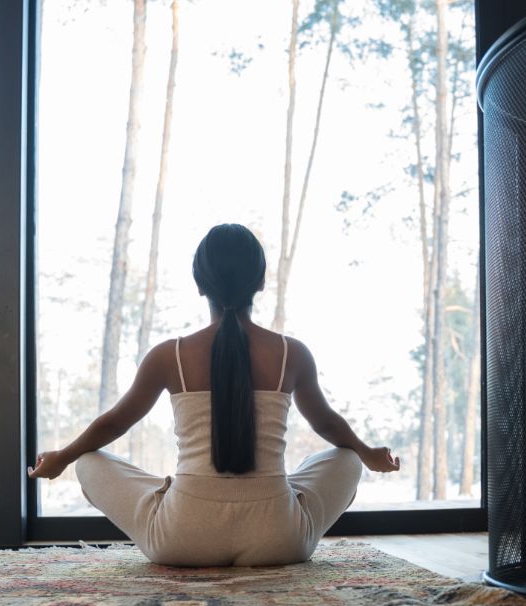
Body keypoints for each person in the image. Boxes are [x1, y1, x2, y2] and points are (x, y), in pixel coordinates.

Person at [28, 223, 400, 566]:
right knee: (347, 459)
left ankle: (176, 492)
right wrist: (367, 454)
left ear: (200, 285)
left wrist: (63, 456)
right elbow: (328, 424)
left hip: (180, 540)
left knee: (88, 461)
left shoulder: (168, 355)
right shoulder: (292, 353)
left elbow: (113, 424)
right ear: (260, 283)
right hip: (280, 541)